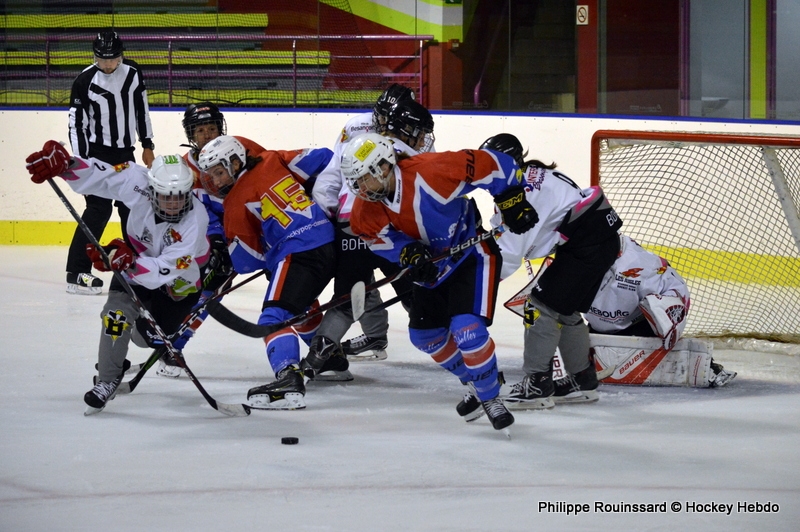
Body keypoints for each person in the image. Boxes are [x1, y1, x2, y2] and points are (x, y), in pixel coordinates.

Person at [341, 132, 539, 431]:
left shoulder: (434, 171)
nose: (360, 189)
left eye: (364, 179)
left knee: (467, 331)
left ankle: (490, 397)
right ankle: (476, 379)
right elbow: (376, 239)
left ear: (383, 167)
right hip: (435, 269)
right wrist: (407, 252)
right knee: (425, 336)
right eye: (354, 183)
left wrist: (511, 200)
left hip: (472, 255)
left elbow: (498, 164)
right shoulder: (365, 210)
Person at [25, 141, 211, 415]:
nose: (173, 204)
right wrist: (67, 166)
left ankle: (123, 346)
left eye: (179, 196)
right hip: (135, 264)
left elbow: (165, 269)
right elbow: (103, 176)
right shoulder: (138, 180)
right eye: (166, 196)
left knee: (145, 339)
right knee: (115, 316)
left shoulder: (196, 221)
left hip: (178, 285)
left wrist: (127, 261)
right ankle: (108, 378)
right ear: (152, 188)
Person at [483, 133, 622, 410]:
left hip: (587, 247)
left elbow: (512, 252)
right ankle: (582, 380)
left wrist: (478, 278)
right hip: (600, 241)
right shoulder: (533, 175)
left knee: (539, 307)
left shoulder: (524, 193)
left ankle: (537, 384)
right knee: (564, 310)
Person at [197, 135, 337, 410]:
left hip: (297, 252)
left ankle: (288, 376)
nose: (215, 182)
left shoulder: (235, 202)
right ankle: (330, 358)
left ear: (235, 161)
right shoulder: (274, 158)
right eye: (211, 175)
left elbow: (247, 262)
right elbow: (325, 158)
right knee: (298, 302)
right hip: (329, 241)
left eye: (219, 172)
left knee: (273, 315)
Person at [146, 102, 267, 378]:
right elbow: (197, 212)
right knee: (207, 291)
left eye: (212, 128)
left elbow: (267, 175)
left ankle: (322, 347)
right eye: (200, 130)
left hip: (264, 232)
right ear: (190, 134)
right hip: (224, 240)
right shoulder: (187, 170)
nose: (207, 135)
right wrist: (216, 240)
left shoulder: (240, 149)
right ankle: (173, 346)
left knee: (294, 290)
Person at [311, 96, 433, 364]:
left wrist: (336, 223)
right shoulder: (411, 156)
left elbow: (329, 183)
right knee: (415, 287)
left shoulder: (361, 138)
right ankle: (444, 339)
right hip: (393, 234)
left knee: (347, 297)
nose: (424, 140)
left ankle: (317, 362)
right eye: (420, 133)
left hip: (352, 228)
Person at [583, 233, 737, 387]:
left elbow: (676, 299)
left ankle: (701, 363)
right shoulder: (580, 258)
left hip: (637, 322)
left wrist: (667, 321)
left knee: (658, 312)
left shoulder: (641, 266)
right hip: (602, 324)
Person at [65, 31, 155, 295]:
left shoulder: (134, 72)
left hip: (125, 155)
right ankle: (77, 271)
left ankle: (135, 265)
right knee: (97, 211)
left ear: (121, 55)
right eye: (101, 59)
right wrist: (82, 164)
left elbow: (142, 109)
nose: (107, 64)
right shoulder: (84, 80)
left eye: (112, 59)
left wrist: (147, 144)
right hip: (96, 156)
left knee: (133, 208)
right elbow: (76, 125)